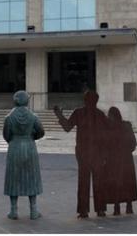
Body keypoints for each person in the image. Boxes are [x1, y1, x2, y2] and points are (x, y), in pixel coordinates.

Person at [53, 90, 109, 218]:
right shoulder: (100, 114)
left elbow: (67, 127)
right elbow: (107, 134)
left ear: (84, 100)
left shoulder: (79, 113)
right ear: (96, 101)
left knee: (83, 181)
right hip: (97, 153)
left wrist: (59, 116)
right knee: (98, 181)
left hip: (83, 152)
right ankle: (100, 209)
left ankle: (83, 210)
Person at [3, 91, 44, 220]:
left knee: (13, 178)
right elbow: (41, 132)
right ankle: (33, 210)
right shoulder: (33, 116)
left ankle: (13, 211)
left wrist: (14, 139)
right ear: (27, 101)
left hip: (15, 147)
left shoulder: (9, 117)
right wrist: (32, 136)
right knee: (32, 178)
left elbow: (6, 135)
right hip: (29, 147)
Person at [104, 107, 137, 215]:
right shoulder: (125, 126)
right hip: (124, 159)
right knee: (124, 182)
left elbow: (106, 144)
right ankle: (124, 205)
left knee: (118, 183)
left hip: (115, 160)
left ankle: (119, 206)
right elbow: (133, 144)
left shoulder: (110, 128)